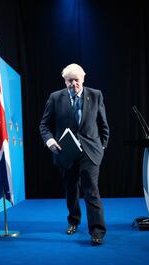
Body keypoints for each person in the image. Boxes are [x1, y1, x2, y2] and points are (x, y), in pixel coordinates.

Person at [39, 63, 109, 246]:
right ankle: (74, 221)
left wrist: (102, 147)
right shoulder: (55, 98)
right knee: (71, 190)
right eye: (70, 81)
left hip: (90, 152)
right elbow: (44, 125)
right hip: (66, 152)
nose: (73, 84)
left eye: (77, 80)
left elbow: (104, 126)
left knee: (91, 191)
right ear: (65, 81)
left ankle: (97, 231)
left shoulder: (95, 95)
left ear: (83, 79)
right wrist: (50, 140)